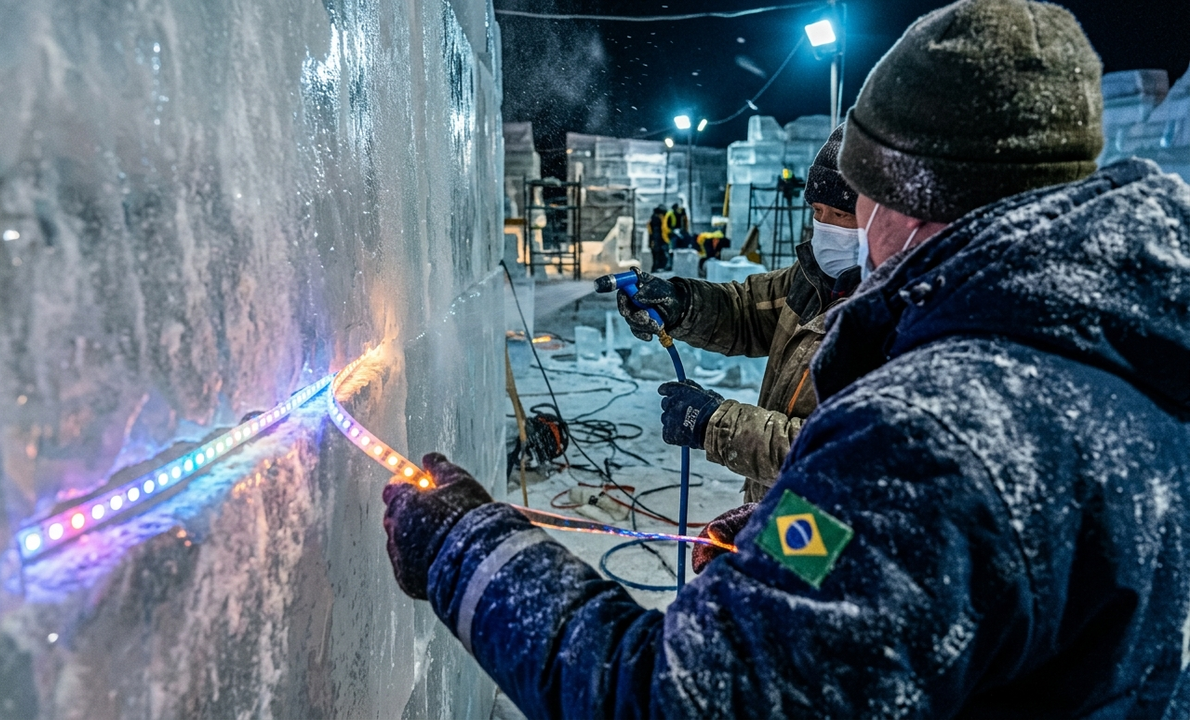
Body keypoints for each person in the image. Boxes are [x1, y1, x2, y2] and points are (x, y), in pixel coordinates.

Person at [382, 1, 1190, 716]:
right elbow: (755, 316)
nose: (851, 228)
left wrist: (466, 547)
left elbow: (676, 698)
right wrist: (795, 531)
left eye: (861, 201)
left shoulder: (932, 434)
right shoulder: (1104, 351)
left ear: (909, 200)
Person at [621, 124, 861, 502]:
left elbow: (840, 454)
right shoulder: (814, 280)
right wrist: (680, 302)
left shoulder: (896, 316)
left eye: (842, 215)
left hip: (832, 532)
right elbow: (747, 310)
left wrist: (716, 424)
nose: (825, 228)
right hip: (781, 512)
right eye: (818, 211)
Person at [647, 205, 669, 271]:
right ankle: (656, 268)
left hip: (659, 241)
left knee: (658, 256)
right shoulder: (655, 221)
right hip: (657, 242)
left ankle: (656, 268)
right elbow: (653, 234)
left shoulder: (655, 220)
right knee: (657, 256)